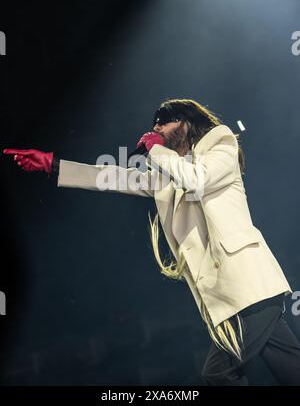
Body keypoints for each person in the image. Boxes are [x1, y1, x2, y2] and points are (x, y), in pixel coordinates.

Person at [3, 98, 300, 385]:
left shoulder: (220, 143)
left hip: (249, 286)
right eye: (153, 125)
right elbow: (117, 178)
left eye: (163, 123)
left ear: (184, 123)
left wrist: (156, 152)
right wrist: (52, 165)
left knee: (218, 373)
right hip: (237, 296)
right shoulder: (168, 174)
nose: (155, 129)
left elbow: (198, 179)